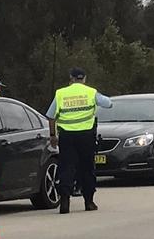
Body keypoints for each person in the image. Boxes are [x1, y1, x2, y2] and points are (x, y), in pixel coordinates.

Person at [46, 67, 112, 214]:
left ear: (71, 78)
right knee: (87, 168)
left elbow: (51, 116)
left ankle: (65, 202)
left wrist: (53, 136)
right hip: (86, 136)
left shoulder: (61, 93)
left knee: (66, 168)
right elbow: (108, 103)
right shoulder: (91, 92)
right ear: (84, 79)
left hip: (67, 137)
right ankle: (89, 201)